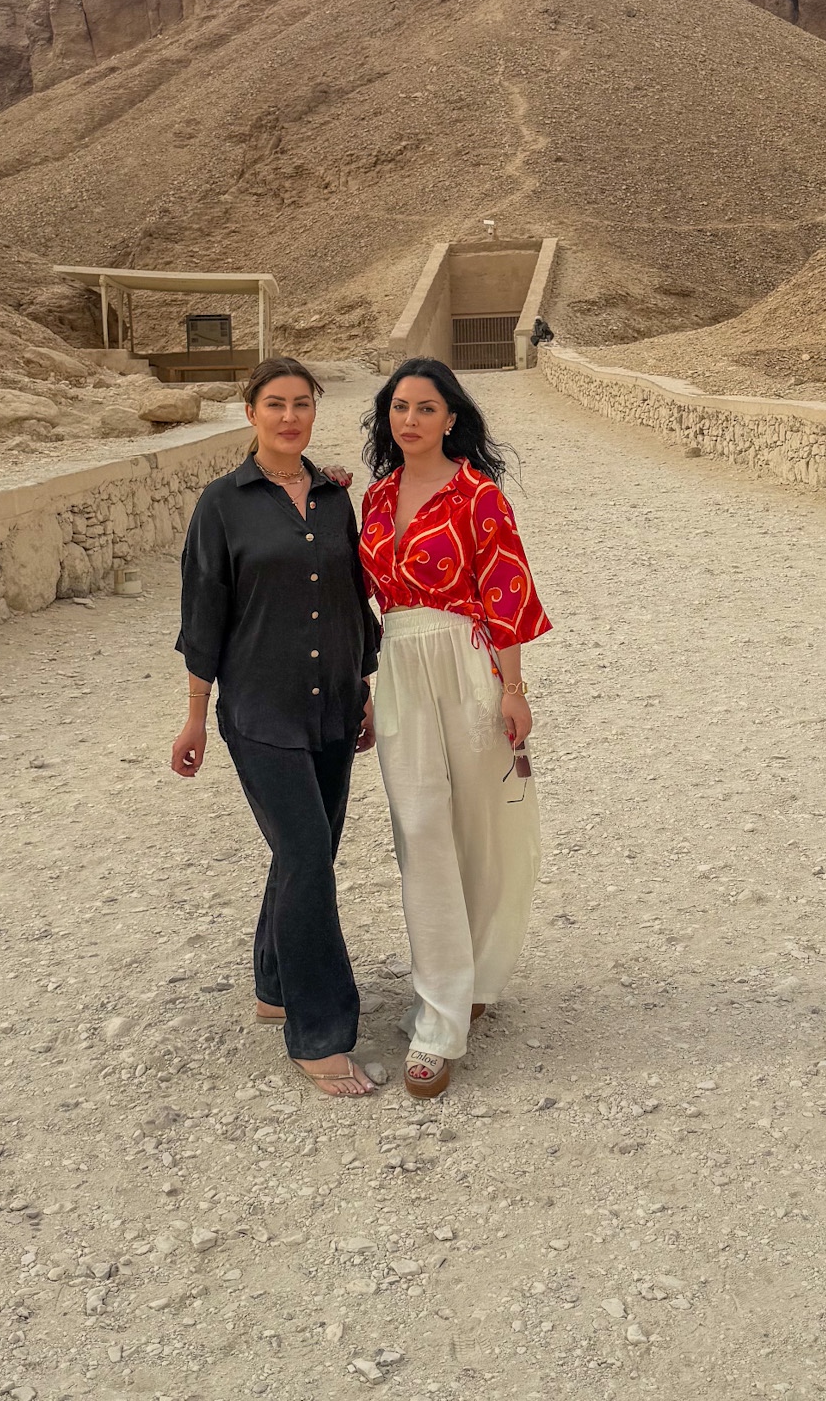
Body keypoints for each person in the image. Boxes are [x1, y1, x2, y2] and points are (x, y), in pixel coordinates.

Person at [171, 356, 380, 1098]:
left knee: (304, 853)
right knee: (308, 854)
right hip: (259, 712)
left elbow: (355, 600)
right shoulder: (222, 504)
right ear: (250, 413)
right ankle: (319, 1032)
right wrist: (195, 716)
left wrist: (366, 690)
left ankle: (274, 985)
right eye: (274, 404)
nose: (289, 416)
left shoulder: (331, 497)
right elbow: (203, 618)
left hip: (331, 703)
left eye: (302, 404)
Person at [358, 357, 551, 1098]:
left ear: (451, 418)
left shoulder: (478, 496)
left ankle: (474, 975)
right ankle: (440, 1013)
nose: (410, 420)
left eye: (426, 408)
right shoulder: (374, 500)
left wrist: (513, 689)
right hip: (401, 664)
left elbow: (508, 594)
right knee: (422, 833)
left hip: (469, 664)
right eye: (399, 407)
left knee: (479, 828)